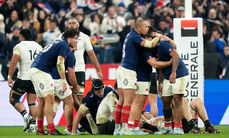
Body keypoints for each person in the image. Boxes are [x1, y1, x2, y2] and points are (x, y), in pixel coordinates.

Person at [29, 28, 79, 136]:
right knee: (49, 100)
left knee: (42, 101)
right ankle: (51, 130)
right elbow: (60, 63)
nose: (76, 41)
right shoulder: (64, 45)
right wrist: (64, 81)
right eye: (75, 38)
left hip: (34, 69)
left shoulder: (57, 42)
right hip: (42, 71)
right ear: (69, 38)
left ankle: (40, 129)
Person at [115, 19, 161, 135]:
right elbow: (150, 44)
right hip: (128, 70)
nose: (148, 29)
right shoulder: (134, 36)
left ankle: (118, 129)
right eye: (145, 27)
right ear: (138, 27)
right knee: (128, 101)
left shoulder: (130, 35)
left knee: (122, 101)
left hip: (123, 69)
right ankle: (126, 128)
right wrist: (158, 37)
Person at [57, 17, 103, 112]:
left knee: (80, 98)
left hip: (79, 69)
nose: (71, 24)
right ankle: (69, 125)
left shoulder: (84, 37)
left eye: (73, 23)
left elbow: (91, 54)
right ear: (67, 25)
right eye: (69, 23)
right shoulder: (61, 37)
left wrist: (98, 70)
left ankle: (80, 124)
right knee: (68, 100)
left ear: (78, 25)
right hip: (66, 70)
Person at [151, 39, 189, 135]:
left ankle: (178, 127)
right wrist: (160, 83)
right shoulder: (152, 51)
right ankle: (167, 127)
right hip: (166, 77)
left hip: (179, 74)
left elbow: (176, 56)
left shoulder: (163, 44)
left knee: (177, 100)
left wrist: (173, 73)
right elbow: (159, 67)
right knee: (165, 101)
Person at [8, 29, 42, 132]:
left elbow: (14, 61)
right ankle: (32, 127)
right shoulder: (39, 46)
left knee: (12, 98)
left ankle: (26, 116)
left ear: (21, 36)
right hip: (35, 78)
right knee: (32, 103)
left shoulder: (19, 46)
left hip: (23, 78)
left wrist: (10, 76)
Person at [51, 42, 79, 135]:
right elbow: (71, 75)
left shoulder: (58, 52)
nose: (77, 44)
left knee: (56, 101)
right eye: (76, 42)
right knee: (69, 102)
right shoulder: (70, 55)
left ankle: (49, 127)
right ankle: (69, 129)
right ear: (74, 46)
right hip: (58, 80)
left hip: (49, 78)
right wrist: (75, 87)